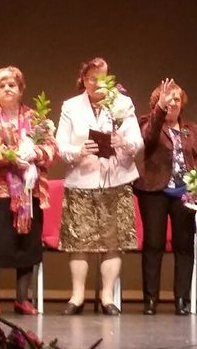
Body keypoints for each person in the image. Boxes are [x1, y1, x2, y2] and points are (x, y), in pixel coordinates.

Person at [54, 57, 141, 315]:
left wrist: (122, 142)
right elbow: (61, 145)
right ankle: (77, 296)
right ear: (83, 80)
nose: (96, 83)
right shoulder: (71, 106)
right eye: (91, 78)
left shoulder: (122, 104)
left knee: (112, 241)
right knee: (79, 241)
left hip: (115, 179)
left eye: (102, 78)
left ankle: (107, 296)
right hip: (82, 180)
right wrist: (79, 150)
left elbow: (137, 141)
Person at [0, 66, 57, 316]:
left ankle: (23, 299)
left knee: (27, 246)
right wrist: (10, 158)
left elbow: (52, 149)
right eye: (2, 85)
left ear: (21, 90)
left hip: (29, 193)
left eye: (12, 84)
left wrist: (35, 153)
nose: (8, 88)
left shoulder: (37, 118)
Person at [135, 78, 197, 315]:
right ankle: (151, 299)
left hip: (184, 191)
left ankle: (182, 300)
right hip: (154, 191)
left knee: (183, 246)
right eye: (168, 98)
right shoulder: (148, 122)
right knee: (154, 244)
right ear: (158, 102)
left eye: (176, 98)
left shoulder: (190, 128)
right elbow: (148, 138)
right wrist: (160, 109)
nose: (173, 102)